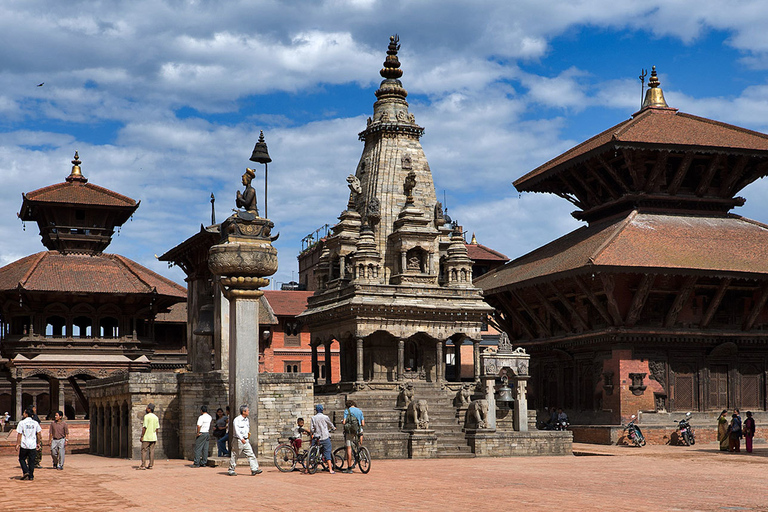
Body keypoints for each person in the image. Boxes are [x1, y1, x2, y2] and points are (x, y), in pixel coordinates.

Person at [228, 405, 261, 476]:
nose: (249, 412)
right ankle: (231, 469)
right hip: (238, 440)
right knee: (235, 455)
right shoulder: (237, 420)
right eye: (247, 410)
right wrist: (241, 438)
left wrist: (246, 438)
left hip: (246, 440)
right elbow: (236, 431)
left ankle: (254, 469)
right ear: (243, 411)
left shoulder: (247, 419)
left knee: (250, 454)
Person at [15, 407, 42, 481]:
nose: (23, 414)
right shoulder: (35, 423)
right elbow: (38, 433)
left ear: (26, 414)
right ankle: (31, 475)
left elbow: (19, 434)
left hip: (24, 444)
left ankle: (26, 471)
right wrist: (38, 443)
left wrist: (18, 444)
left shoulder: (22, 423)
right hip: (32, 444)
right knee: (31, 461)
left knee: (22, 459)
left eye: (24, 413)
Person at [310, 404, 336, 474]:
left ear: (316, 410)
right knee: (327, 451)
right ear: (322, 410)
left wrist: (314, 430)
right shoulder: (325, 417)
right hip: (324, 436)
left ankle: (307, 468)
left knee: (312, 450)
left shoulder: (313, 418)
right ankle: (330, 469)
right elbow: (330, 424)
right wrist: (333, 428)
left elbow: (311, 429)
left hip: (316, 437)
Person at [342, 400, 365, 473]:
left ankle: (349, 468)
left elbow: (344, 422)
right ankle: (360, 454)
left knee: (349, 449)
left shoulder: (347, 411)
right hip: (359, 430)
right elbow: (363, 423)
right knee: (358, 445)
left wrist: (342, 421)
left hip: (350, 431)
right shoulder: (359, 411)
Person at [139, 403, 159, 470]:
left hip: (147, 437)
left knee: (144, 450)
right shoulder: (156, 417)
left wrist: (142, 436)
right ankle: (150, 465)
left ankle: (143, 465)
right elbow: (157, 429)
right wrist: (156, 435)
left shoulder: (147, 416)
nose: (146, 409)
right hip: (153, 437)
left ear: (149, 409)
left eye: (147, 407)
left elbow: (144, 427)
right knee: (152, 451)